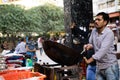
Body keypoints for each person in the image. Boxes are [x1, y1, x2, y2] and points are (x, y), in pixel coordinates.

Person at [83, 12, 119, 80]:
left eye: (99, 20)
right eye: (95, 19)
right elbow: (91, 43)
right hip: (99, 66)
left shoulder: (109, 33)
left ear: (105, 22)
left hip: (110, 66)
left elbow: (102, 50)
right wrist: (88, 46)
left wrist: (90, 60)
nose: (96, 21)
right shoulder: (94, 31)